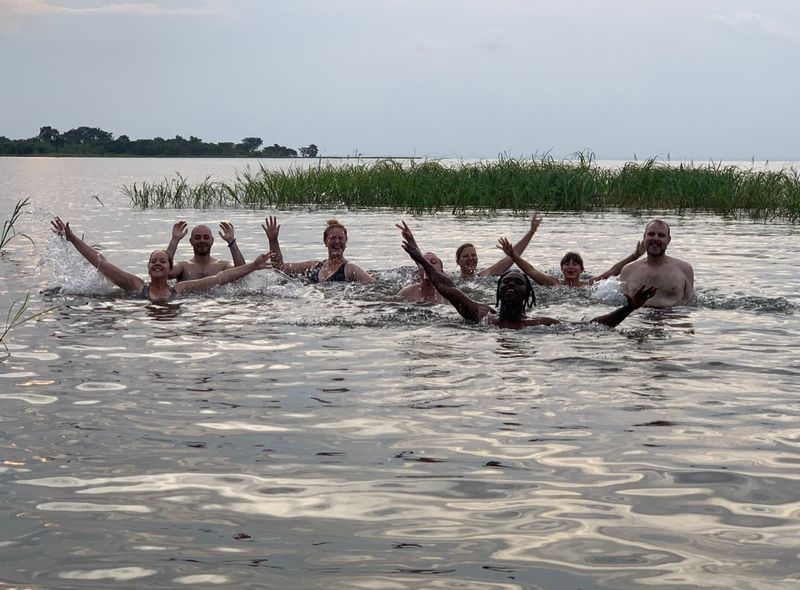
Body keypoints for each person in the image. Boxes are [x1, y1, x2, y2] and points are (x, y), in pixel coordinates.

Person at [399, 221, 656, 329]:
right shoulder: (482, 315)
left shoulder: (540, 324)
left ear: (528, 294)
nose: (510, 285)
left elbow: (590, 326)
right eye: (506, 282)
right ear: (497, 292)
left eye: (517, 282)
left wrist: (627, 309)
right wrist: (419, 257)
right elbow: (448, 289)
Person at [51, 218, 270, 303]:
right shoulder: (137, 286)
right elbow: (102, 264)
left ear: (168, 268)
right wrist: (72, 239)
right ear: (148, 268)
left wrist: (253, 265)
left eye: (162, 261)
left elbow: (223, 278)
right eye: (153, 261)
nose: (157, 263)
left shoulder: (182, 289)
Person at [496, 236, 645, 287]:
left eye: (575, 264)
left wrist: (634, 256)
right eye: (567, 264)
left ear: (582, 270)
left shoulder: (590, 285)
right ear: (561, 269)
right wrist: (513, 255)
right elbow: (531, 271)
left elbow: (612, 271)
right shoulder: (554, 284)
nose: (571, 267)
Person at [262, 216, 374, 283]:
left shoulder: (350, 269)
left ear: (346, 242)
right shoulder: (314, 266)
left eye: (341, 238)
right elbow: (280, 268)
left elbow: (374, 286)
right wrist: (273, 241)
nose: (337, 242)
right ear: (325, 241)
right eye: (333, 238)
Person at [619, 219, 694, 307]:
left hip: (672, 317)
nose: (655, 238)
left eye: (661, 235)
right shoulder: (628, 270)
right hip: (638, 318)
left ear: (668, 240)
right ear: (644, 237)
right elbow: (621, 304)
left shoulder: (684, 269)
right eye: (651, 234)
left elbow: (689, 304)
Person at [455, 214, 541, 279]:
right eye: (466, 256)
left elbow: (512, 257)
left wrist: (532, 231)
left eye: (473, 255)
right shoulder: (453, 281)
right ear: (458, 261)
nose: (471, 259)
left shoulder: (484, 275)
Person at [166, 221, 246, 281]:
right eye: (197, 238)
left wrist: (231, 241)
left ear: (212, 241)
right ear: (191, 241)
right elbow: (166, 273)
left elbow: (242, 273)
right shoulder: (183, 267)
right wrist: (175, 239)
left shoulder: (222, 266)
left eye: (206, 237)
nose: (202, 241)